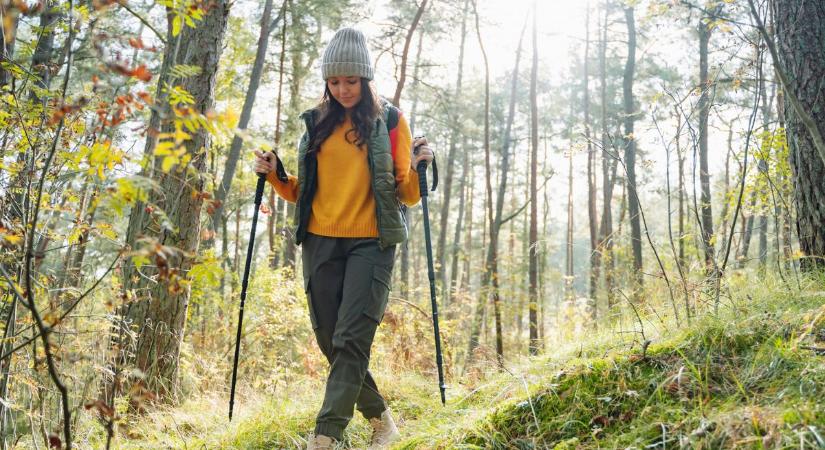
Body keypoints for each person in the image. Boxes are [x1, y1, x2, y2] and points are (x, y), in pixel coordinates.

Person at [253, 27, 434, 450]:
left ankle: (326, 437)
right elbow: (304, 191)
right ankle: (382, 421)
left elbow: (405, 191)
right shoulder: (316, 122)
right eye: (334, 82)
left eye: (350, 80)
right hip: (320, 240)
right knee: (329, 338)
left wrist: (421, 168)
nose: (343, 89)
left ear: (365, 78)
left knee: (351, 338)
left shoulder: (390, 120)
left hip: (372, 242)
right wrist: (276, 173)